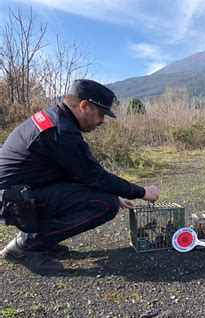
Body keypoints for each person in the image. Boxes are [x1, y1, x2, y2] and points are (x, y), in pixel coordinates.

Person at [0, 79, 159, 274]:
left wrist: (118, 194)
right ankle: (27, 246)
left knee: (103, 197)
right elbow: (95, 177)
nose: (102, 121)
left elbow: (79, 174)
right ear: (84, 106)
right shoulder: (62, 131)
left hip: (20, 194)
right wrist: (141, 192)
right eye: (101, 114)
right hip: (14, 201)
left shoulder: (55, 119)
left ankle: (44, 240)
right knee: (104, 205)